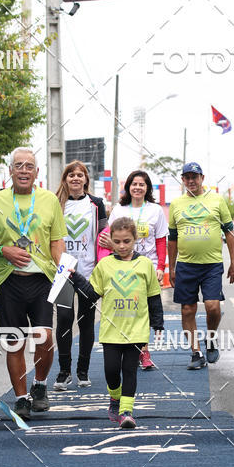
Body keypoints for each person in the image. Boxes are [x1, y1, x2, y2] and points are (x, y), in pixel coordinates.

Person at [0, 147, 66, 420]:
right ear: (10, 171)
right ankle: (22, 398)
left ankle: (40, 384)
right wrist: (4, 250)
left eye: (29, 166)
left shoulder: (49, 200)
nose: (24, 170)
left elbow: (56, 240)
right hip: (9, 280)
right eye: (19, 165)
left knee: (45, 336)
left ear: (37, 172)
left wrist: (62, 266)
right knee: (14, 342)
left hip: (42, 279)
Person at [71, 217, 163, 428]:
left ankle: (126, 412)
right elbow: (92, 294)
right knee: (111, 370)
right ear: (111, 240)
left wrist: (158, 322)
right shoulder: (104, 265)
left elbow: (153, 296)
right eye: (118, 241)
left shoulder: (145, 264)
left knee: (129, 370)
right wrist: (76, 279)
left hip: (136, 330)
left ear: (135, 240)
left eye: (127, 241)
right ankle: (115, 397)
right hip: (111, 330)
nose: (122, 246)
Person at [168, 162, 234, 370]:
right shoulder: (176, 204)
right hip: (186, 265)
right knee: (187, 310)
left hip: (212, 265)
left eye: (195, 177)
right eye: (187, 177)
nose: (191, 180)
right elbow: (172, 238)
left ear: (202, 178)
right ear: (182, 180)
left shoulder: (216, 200)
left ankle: (210, 338)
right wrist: (170, 267)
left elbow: (229, 232)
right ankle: (196, 353)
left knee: (213, 307)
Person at [99, 170, 167, 370]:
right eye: (134, 184)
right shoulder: (119, 210)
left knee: (144, 308)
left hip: (148, 265)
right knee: (130, 307)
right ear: (128, 187)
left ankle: (144, 352)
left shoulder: (155, 210)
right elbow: (107, 238)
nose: (138, 187)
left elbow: (161, 240)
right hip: (122, 265)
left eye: (142, 184)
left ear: (147, 188)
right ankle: (126, 348)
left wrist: (161, 266)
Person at [53, 161, 107, 390]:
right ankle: (64, 372)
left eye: (80, 175)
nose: (75, 178)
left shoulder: (97, 204)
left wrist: (103, 264)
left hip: (89, 272)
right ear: (65, 179)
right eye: (71, 175)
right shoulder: (56, 203)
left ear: (86, 179)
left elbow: (104, 235)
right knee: (64, 320)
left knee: (85, 322)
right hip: (64, 270)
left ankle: (82, 371)